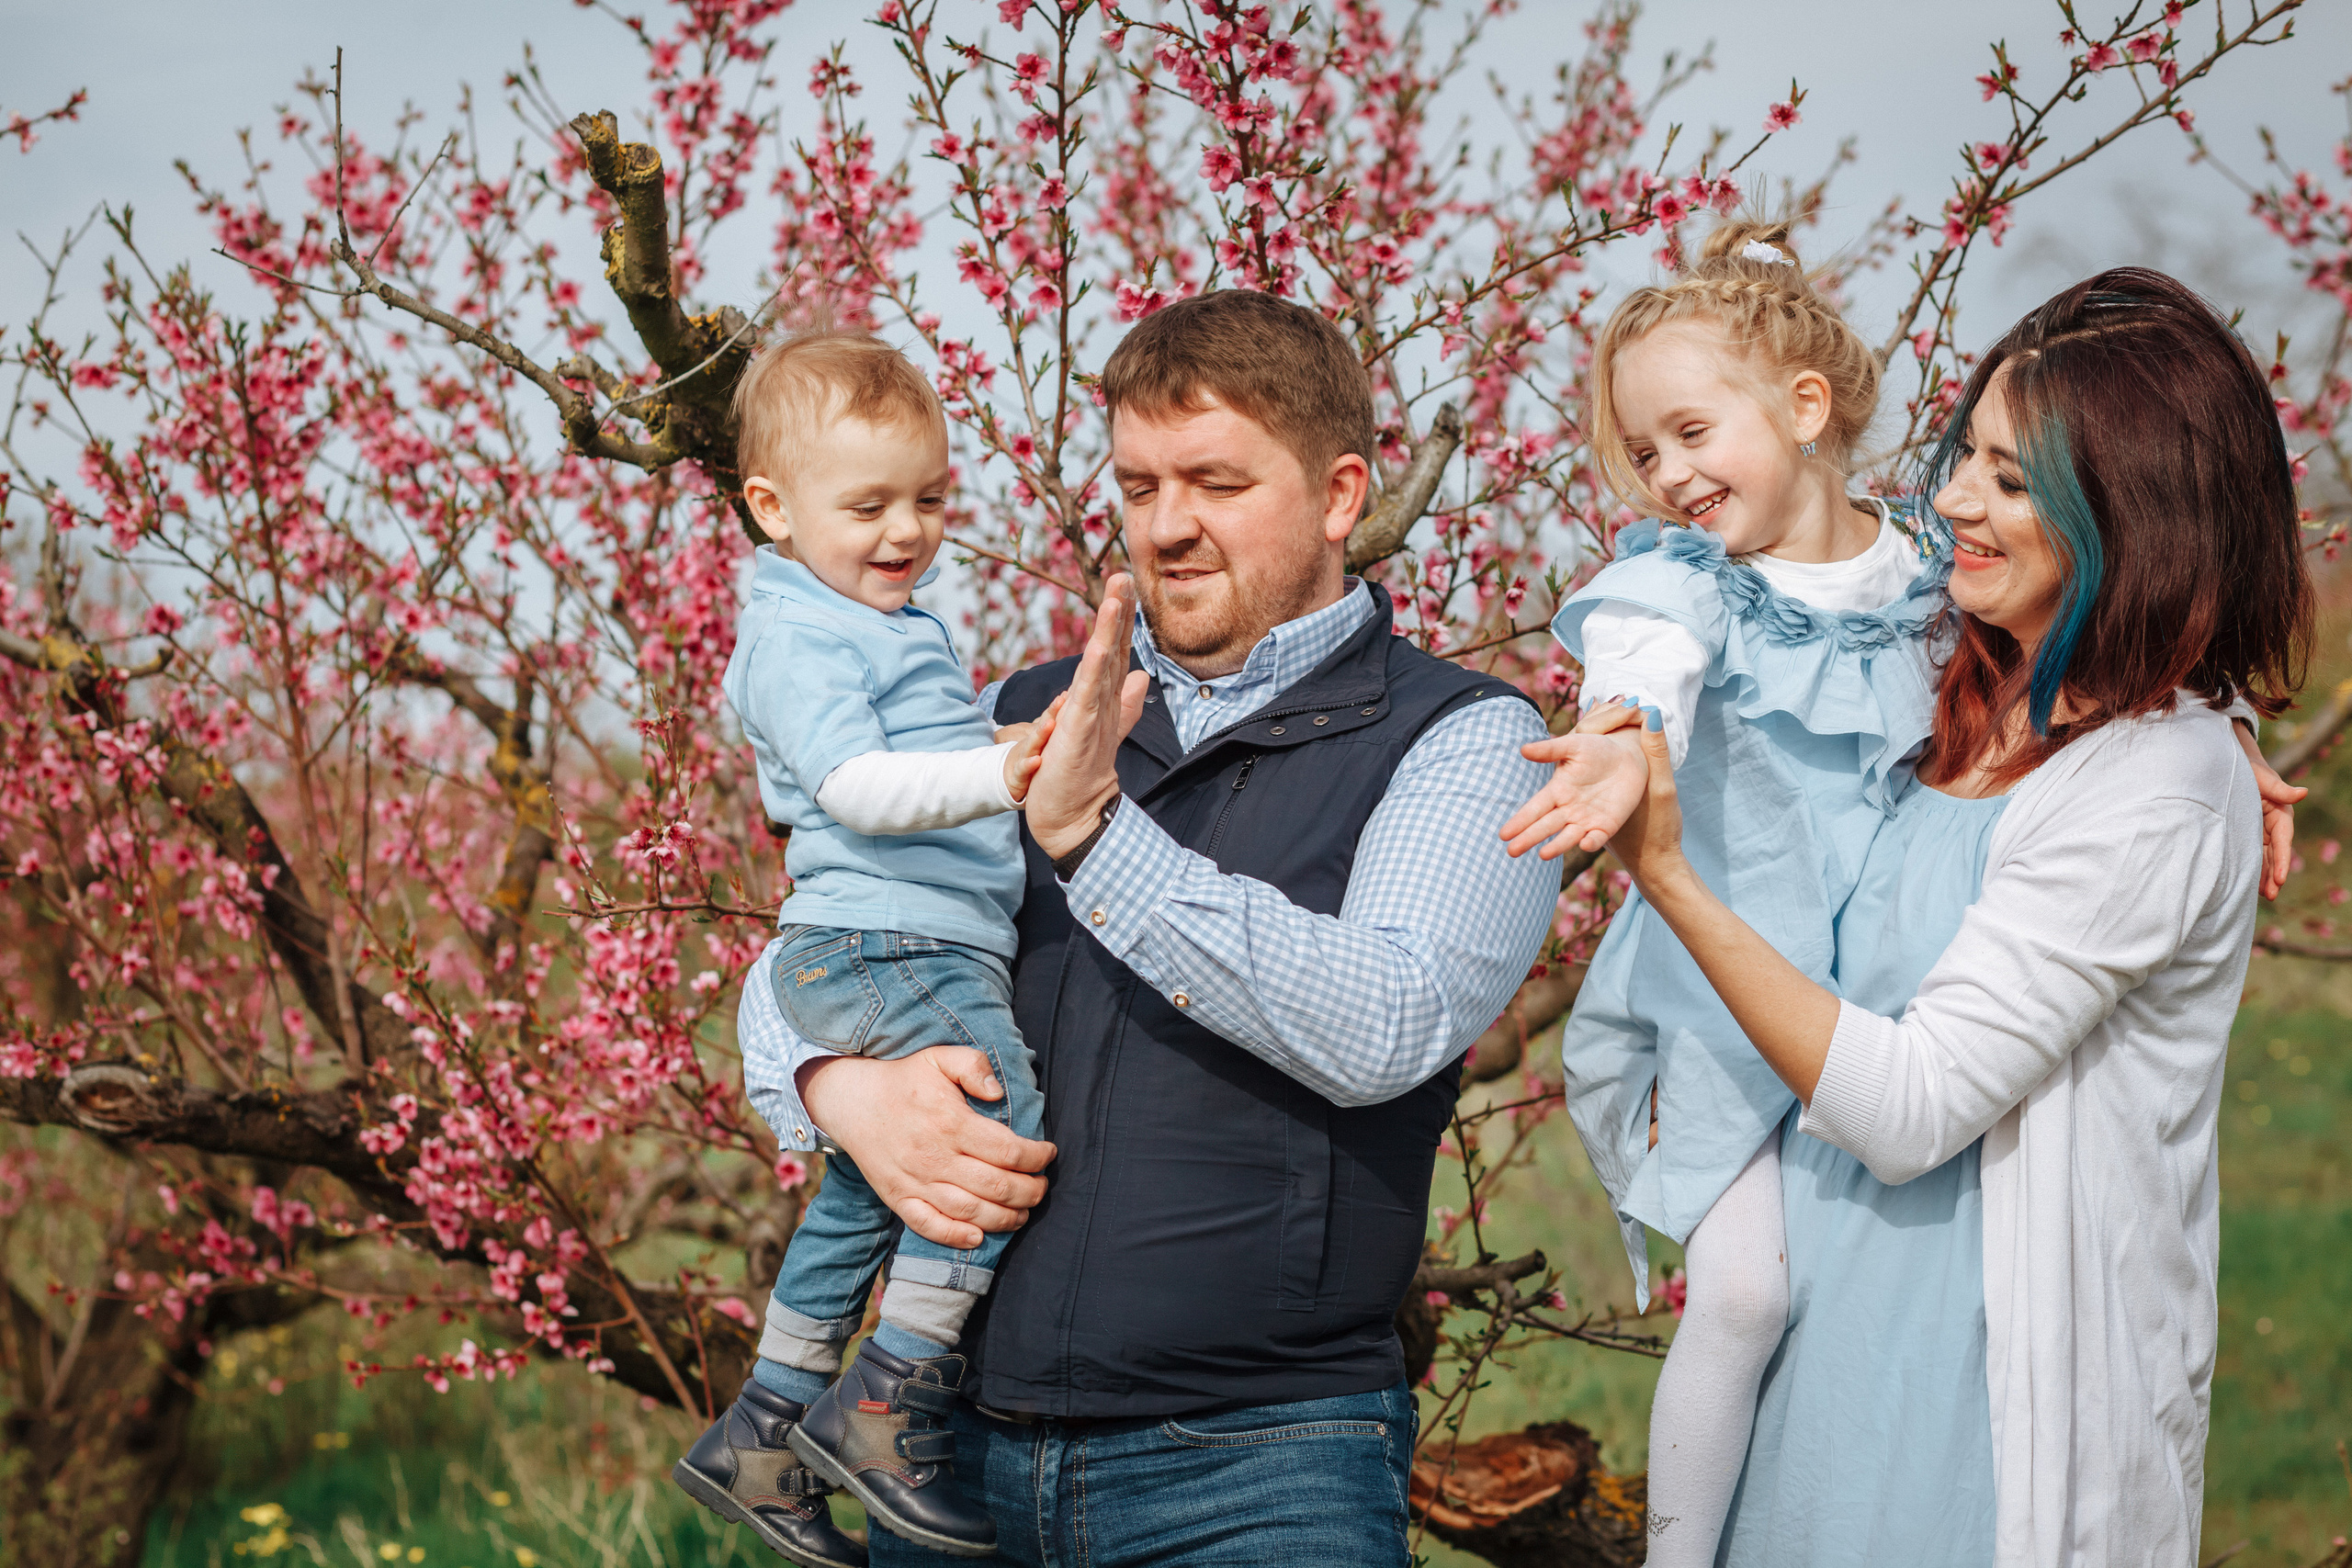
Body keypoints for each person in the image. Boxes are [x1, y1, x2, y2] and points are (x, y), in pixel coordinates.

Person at [736, 288, 1564, 1565]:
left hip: (1259, 1471)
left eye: (1216, 483)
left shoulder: (1463, 740)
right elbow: (829, 935)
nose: (1167, 525)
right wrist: (833, 1085)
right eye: (1139, 485)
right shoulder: (1026, 714)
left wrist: (1092, 837)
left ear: (1341, 495)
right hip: (950, 1464)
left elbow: (1388, 1023)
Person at [1587, 268, 2311, 1564]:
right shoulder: (1956, 688)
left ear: (2135, 515)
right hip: (1814, 1384)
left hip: (1971, 1427)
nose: (1957, 500)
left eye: (2012, 480)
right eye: (1965, 455)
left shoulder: (2156, 779)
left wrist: (1673, 881)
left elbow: (1913, 1105)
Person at [1498, 217, 1948, 1566]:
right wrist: (1614, 743)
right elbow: (1643, 667)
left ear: (1804, 408)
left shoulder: (1931, 574)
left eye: (1693, 433)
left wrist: (2216, 730)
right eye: (1645, 452)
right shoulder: (1688, 584)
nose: (1671, 474)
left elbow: (2079, 654)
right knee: (1744, 1297)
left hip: (1886, 1005)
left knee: (1875, 1303)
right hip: (1722, 1004)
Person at [674, 329, 1062, 1563]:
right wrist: (1005, 773)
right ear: (772, 508)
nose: (908, 532)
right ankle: (889, 1401)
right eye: (869, 506)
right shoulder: (799, 635)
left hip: (905, 946)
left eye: (930, 500)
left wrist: (1020, 743)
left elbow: (924, 754)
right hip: (886, 945)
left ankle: (764, 1429)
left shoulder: (877, 621)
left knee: (876, 1183)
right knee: (992, 1121)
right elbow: (854, 785)